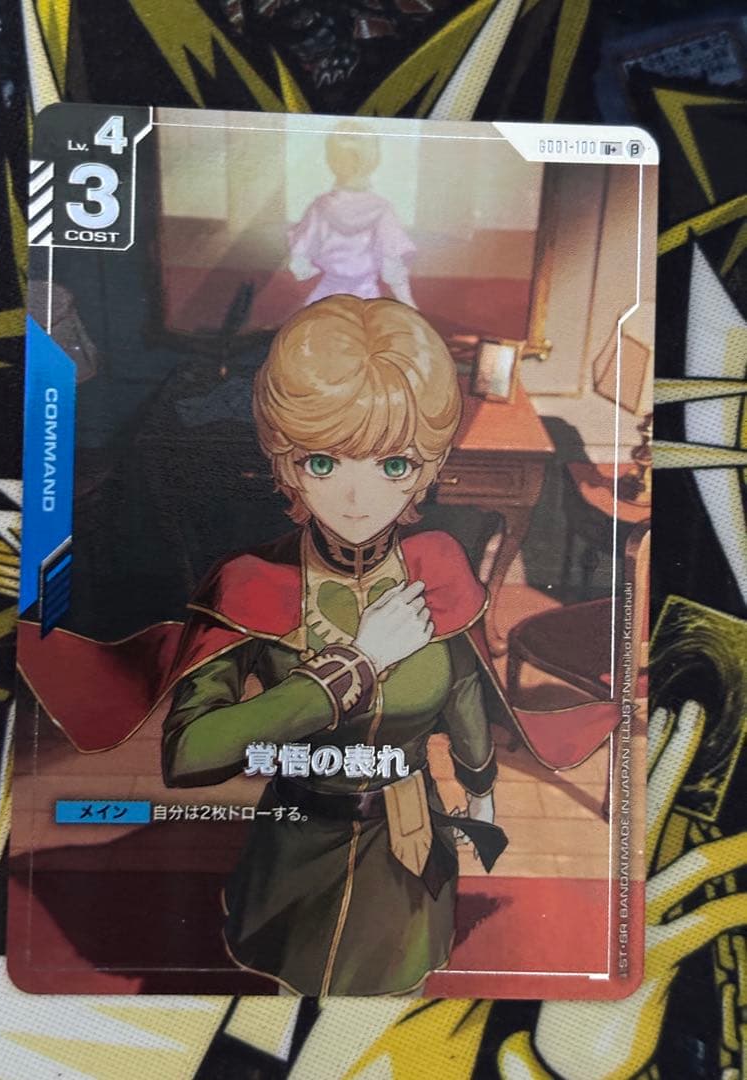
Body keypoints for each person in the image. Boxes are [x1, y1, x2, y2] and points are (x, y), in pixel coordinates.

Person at [160, 294, 508, 996]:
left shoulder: (439, 565)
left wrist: (480, 790)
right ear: (284, 463)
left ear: (430, 467)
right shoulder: (251, 580)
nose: (356, 497)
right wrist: (353, 666)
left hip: (408, 839)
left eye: (394, 465)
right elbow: (188, 754)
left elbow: (465, 690)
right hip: (295, 840)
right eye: (322, 462)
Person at [287, 124, 417, 307]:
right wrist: (408, 304)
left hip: (325, 296)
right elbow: (392, 266)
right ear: (374, 161)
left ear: (331, 161)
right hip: (367, 298)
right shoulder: (382, 209)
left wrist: (312, 270)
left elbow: (301, 263)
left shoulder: (320, 206)